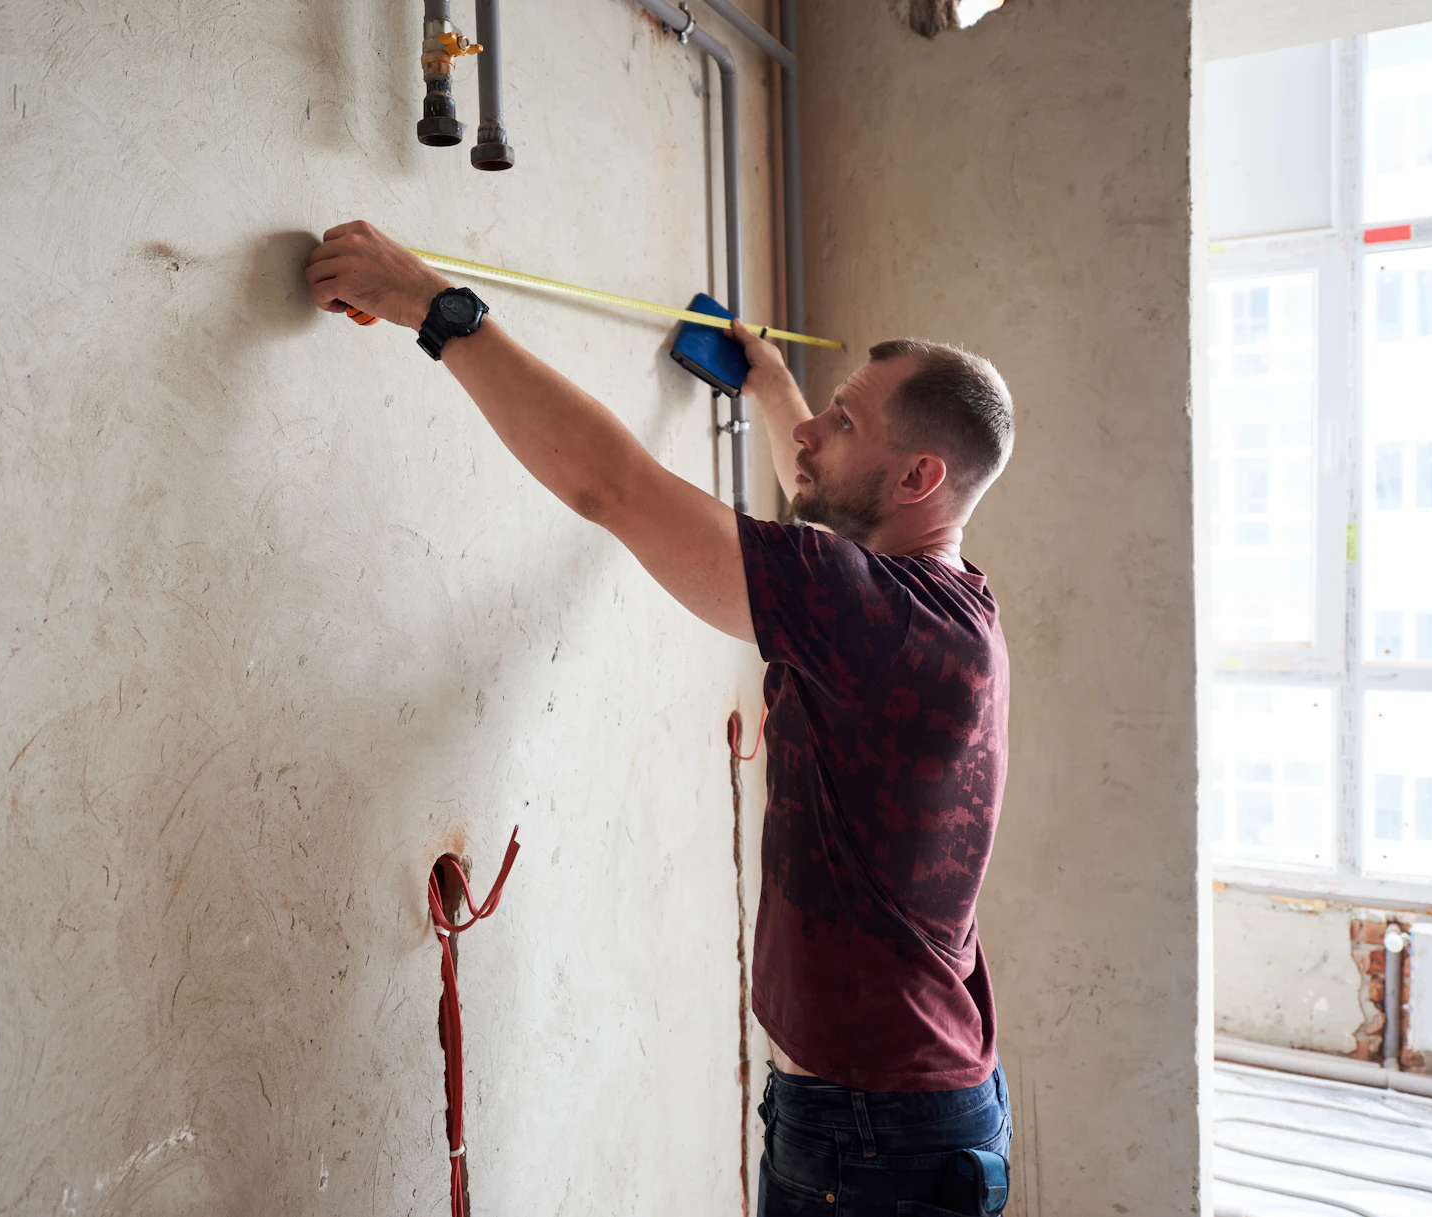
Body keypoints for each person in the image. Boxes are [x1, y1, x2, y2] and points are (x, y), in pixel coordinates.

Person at [304, 221, 1016, 1216]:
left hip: (874, 1137)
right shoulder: (946, 598)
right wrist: (771, 388)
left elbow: (615, 486)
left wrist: (435, 306)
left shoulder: (869, 612)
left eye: (843, 423)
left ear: (919, 479)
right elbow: (824, 513)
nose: (813, 434)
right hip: (899, 1111)